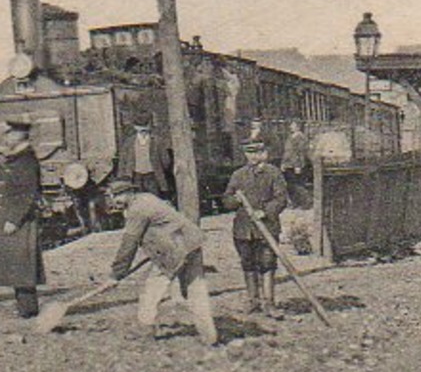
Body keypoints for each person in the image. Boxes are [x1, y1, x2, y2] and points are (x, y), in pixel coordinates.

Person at [107, 185, 218, 346]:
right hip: (191, 243)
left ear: (129, 193)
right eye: (112, 196)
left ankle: (144, 330)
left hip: (173, 251)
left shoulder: (137, 210)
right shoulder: (147, 197)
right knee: (197, 290)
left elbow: (129, 244)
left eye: (117, 196)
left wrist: (116, 274)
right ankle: (209, 335)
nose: (114, 201)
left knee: (151, 291)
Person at [0, 118, 47, 317]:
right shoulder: (17, 158)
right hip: (11, 218)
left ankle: (28, 309)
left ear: (19, 136)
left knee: (23, 264)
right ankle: (24, 307)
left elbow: (28, 193)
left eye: (10, 134)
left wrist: (14, 219)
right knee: (17, 264)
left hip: (18, 220)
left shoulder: (26, 159)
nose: (7, 137)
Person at [222, 139, 290, 318]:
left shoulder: (273, 173)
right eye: (249, 152)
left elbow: (281, 198)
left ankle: (269, 303)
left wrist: (266, 212)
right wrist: (234, 200)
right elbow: (226, 200)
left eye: (257, 152)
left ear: (264, 154)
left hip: (266, 227)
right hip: (243, 229)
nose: (253, 156)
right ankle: (253, 300)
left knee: (267, 264)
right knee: (248, 263)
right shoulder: (238, 175)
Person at [116, 111, 173, 198]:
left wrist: (159, 169)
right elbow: (123, 160)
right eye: (141, 130)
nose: (143, 133)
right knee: (136, 199)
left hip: (152, 176)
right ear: (136, 128)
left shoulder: (157, 141)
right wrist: (123, 176)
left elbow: (166, 160)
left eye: (145, 130)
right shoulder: (129, 142)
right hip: (135, 176)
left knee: (154, 199)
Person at [281, 121, 310, 195]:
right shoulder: (290, 136)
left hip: (295, 165)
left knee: (298, 185)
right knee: (290, 184)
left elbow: (300, 152)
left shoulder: (301, 138)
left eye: (293, 125)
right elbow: (287, 151)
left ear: (298, 127)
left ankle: (303, 202)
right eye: (291, 125)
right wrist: (283, 163)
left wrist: (298, 165)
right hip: (288, 164)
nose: (290, 126)